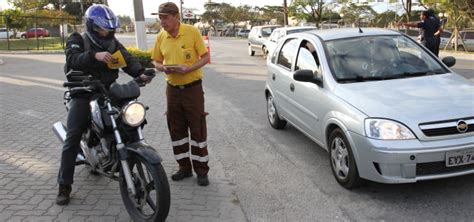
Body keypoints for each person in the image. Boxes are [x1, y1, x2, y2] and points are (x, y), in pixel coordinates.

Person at [56, 4, 153, 206]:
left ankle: (128, 152)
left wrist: (140, 73)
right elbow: (72, 59)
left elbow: (127, 59)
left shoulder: (112, 43)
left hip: (109, 90)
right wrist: (93, 56)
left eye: (110, 29)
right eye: (102, 28)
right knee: (73, 136)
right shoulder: (78, 39)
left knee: (129, 120)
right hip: (83, 91)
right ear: (92, 26)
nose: (107, 32)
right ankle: (64, 185)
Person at [151, 2, 211, 186]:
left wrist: (189, 68)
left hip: (192, 89)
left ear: (176, 17)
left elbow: (206, 57)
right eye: (160, 17)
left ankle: (201, 171)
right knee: (176, 129)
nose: (162, 22)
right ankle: (184, 168)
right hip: (173, 91)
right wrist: (163, 68)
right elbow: (155, 60)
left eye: (165, 17)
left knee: (197, 128)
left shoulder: (192, 31)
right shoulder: (161, 36)